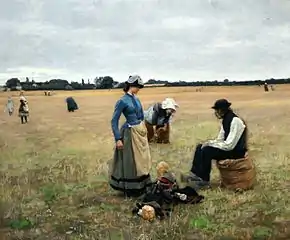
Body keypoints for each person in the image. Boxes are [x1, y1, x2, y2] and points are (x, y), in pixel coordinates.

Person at [183, 99, 248, 189]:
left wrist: (210, 145)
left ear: (222, 110)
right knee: (200, 147)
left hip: (236, 152)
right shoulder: (225, 120)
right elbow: (220, 139)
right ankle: (194, 175)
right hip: (228, 148)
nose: (216, 112)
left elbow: (230, 145)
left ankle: (204, 180)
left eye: (217, 110)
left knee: (207, 151)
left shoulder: (235, 121)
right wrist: (208, 143)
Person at [109, 75, 152, 197]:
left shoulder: (137, 99)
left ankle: (143, 184)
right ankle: (132, 187)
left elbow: (141, 116)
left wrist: (143, 128)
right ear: (130, 85)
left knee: (142, 158)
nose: (138, 89)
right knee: (131, 160)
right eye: (137, 86)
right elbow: (114, 121)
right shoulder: (122, 101)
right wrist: (118, 138)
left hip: (139, 132)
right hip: (129, 134)